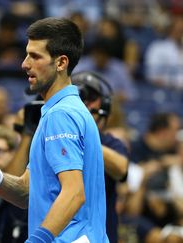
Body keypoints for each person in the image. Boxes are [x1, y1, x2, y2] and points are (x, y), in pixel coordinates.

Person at [0, 17, 109, 242]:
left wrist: (37, 240)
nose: (25, 63)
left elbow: (74, 193)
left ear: (61, 63)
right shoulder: (59, 111)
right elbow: (27, 192)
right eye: (27, 54)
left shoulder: (61, 115)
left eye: (35, 56)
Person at [72, 71, 129, 243]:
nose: (84, 102)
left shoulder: (111, 143)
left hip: (100, 233)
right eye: (79, 95)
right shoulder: (55, 138)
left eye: (91, 97)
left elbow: (121, 170)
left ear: (103, 104)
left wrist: (83, 132)